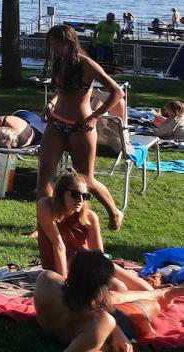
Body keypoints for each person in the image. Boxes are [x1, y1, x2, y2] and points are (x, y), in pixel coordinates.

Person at [38, 24, 126, 230]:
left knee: (85, 178)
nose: (54, 49)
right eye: (51, 45)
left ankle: (114, 212)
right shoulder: (59, 62)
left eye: (56, 45)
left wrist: (96, 116)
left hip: (80, 126)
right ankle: (44, 223)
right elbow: (62, 90)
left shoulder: (87, 65)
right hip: (57, 122)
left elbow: (117, 92)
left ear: (68, 42)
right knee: (45, 172)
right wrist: (51, 103)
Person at [34, 250, 184, 352]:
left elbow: (78, 293)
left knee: (118, 292)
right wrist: (117, 333)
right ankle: (163, 293)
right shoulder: (103, 321)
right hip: (96, 324)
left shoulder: (45, 280)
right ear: (101, 288)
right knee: (154, 305)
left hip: (79, 314)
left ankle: (162, 293)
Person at [37, 171, 153, 292]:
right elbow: (59, 245)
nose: (81, 200)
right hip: (68, 266)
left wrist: (105, 274)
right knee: (119, 288)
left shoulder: (89, 217)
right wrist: (64, 284)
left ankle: (147, 297)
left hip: (88, 263)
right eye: (75, 194)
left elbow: (98, 255)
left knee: (147, 289)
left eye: (85, 196)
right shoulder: (46, 206)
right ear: (61, 193)